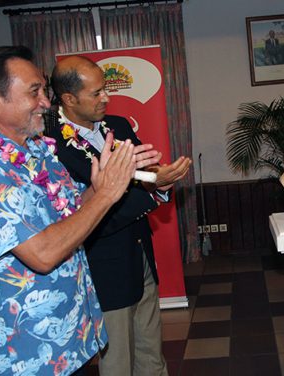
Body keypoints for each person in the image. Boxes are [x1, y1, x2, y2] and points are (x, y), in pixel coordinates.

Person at [0, 46, 142, 375]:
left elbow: (71, 214)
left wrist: (98, 186)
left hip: (72, 337)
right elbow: (42, 253)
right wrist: (106, 194)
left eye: (45, 90)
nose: (46, 103)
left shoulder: (38, 148)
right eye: (34, 91)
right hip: (25, 354)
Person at [46, 55, 191, 376]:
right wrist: (150, 192)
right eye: (96, 93)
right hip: (102, 265)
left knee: (151, 353)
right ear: (68, 99)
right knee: (118, 360)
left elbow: (141, 174)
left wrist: (159, 179)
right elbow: (82, 209)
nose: (106, 98)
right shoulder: (49, 142)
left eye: (105, 90)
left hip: (139, 251)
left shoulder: (119, 126)